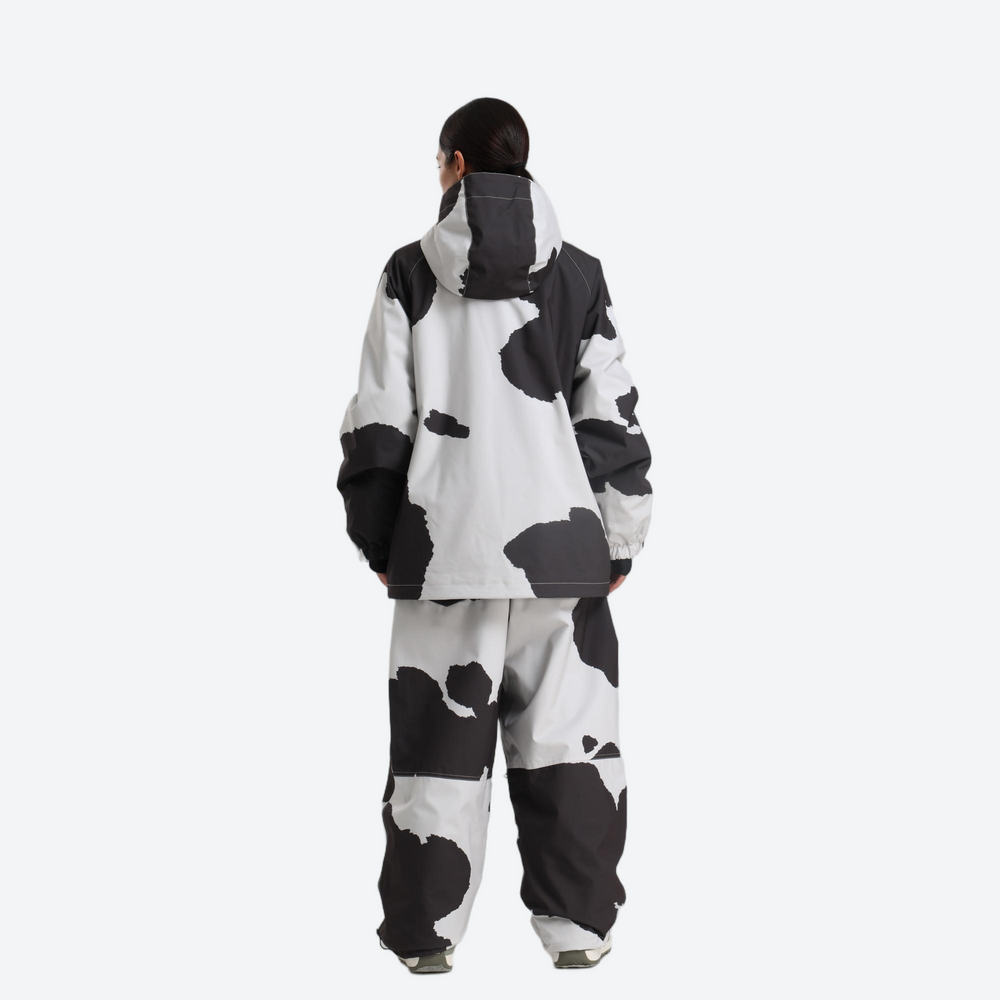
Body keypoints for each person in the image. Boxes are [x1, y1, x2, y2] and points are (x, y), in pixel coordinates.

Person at [337, 97, 653, 973]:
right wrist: (617, 540)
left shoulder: (409, 274)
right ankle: (580, 936)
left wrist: (384, 545)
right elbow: (612, 419)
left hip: (445, 559)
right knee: (570, 751)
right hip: (563, 566)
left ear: (458, 166)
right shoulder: (580, 275)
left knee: (437, 761)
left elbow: (378, 422)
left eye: (437, 161)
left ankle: (424, 942)